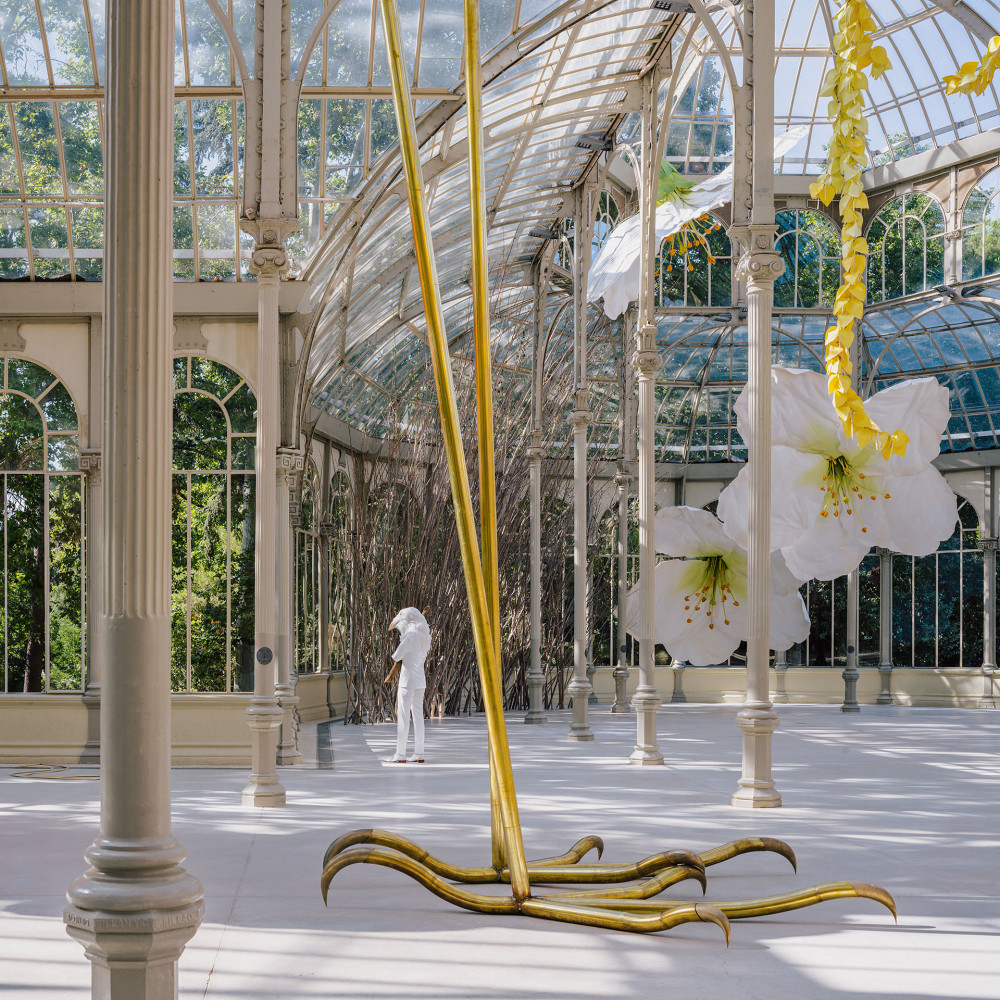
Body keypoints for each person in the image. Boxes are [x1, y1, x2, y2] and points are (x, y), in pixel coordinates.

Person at [383, 606, 431, 763]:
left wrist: (403, 640)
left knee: (403, 717)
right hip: (420, 681)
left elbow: (397, 656)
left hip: (407, 682)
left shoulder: (410, 637)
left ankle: (400, 754)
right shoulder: (426, 637)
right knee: (418, 718)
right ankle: (419, 753)